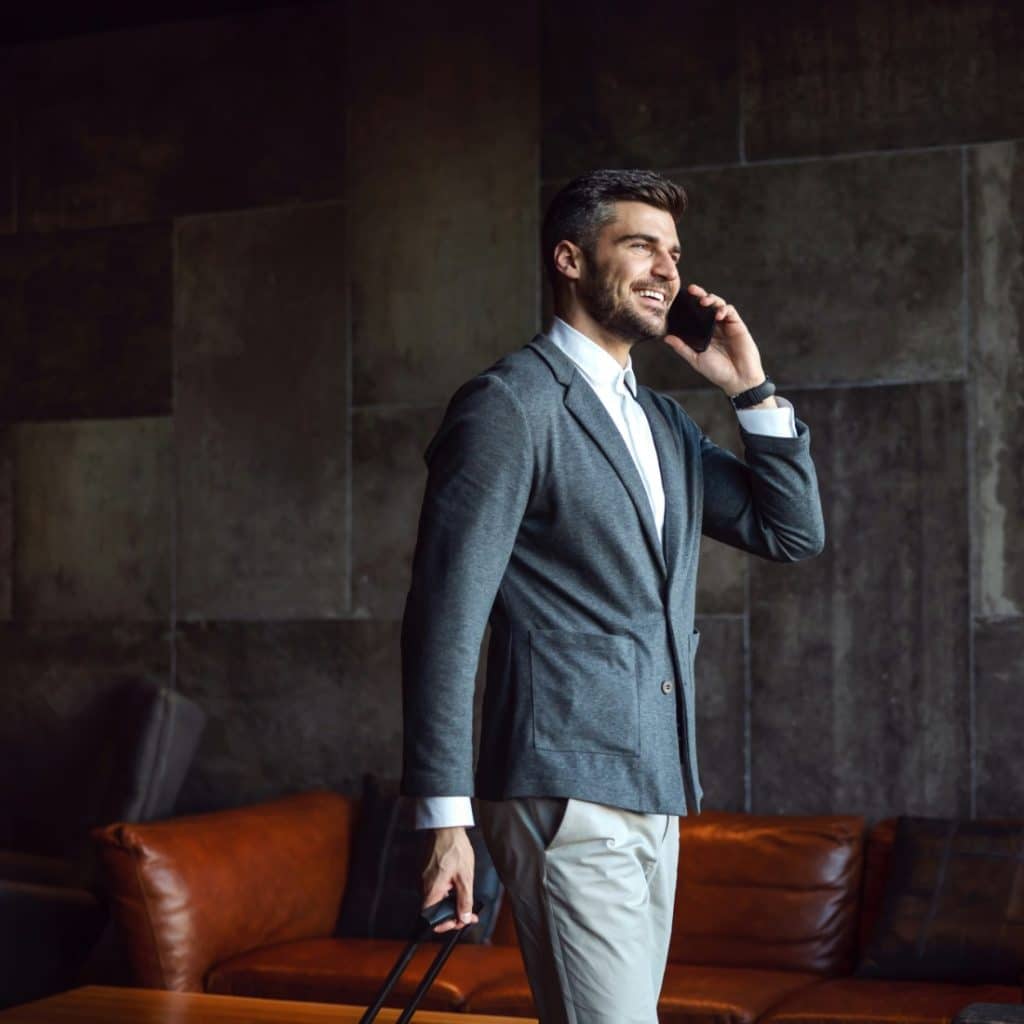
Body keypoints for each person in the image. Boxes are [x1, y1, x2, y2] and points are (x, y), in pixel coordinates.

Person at [399, 168, 825, 1024]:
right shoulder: (510, 406)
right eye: (640, 245)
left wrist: (748, 388)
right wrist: (445, 820)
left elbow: (791, 531)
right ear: (569, 258)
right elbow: (445, 620)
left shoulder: (663, 424)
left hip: (655, 787)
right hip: (564, 786)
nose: (667, 269)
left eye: (673, 252)